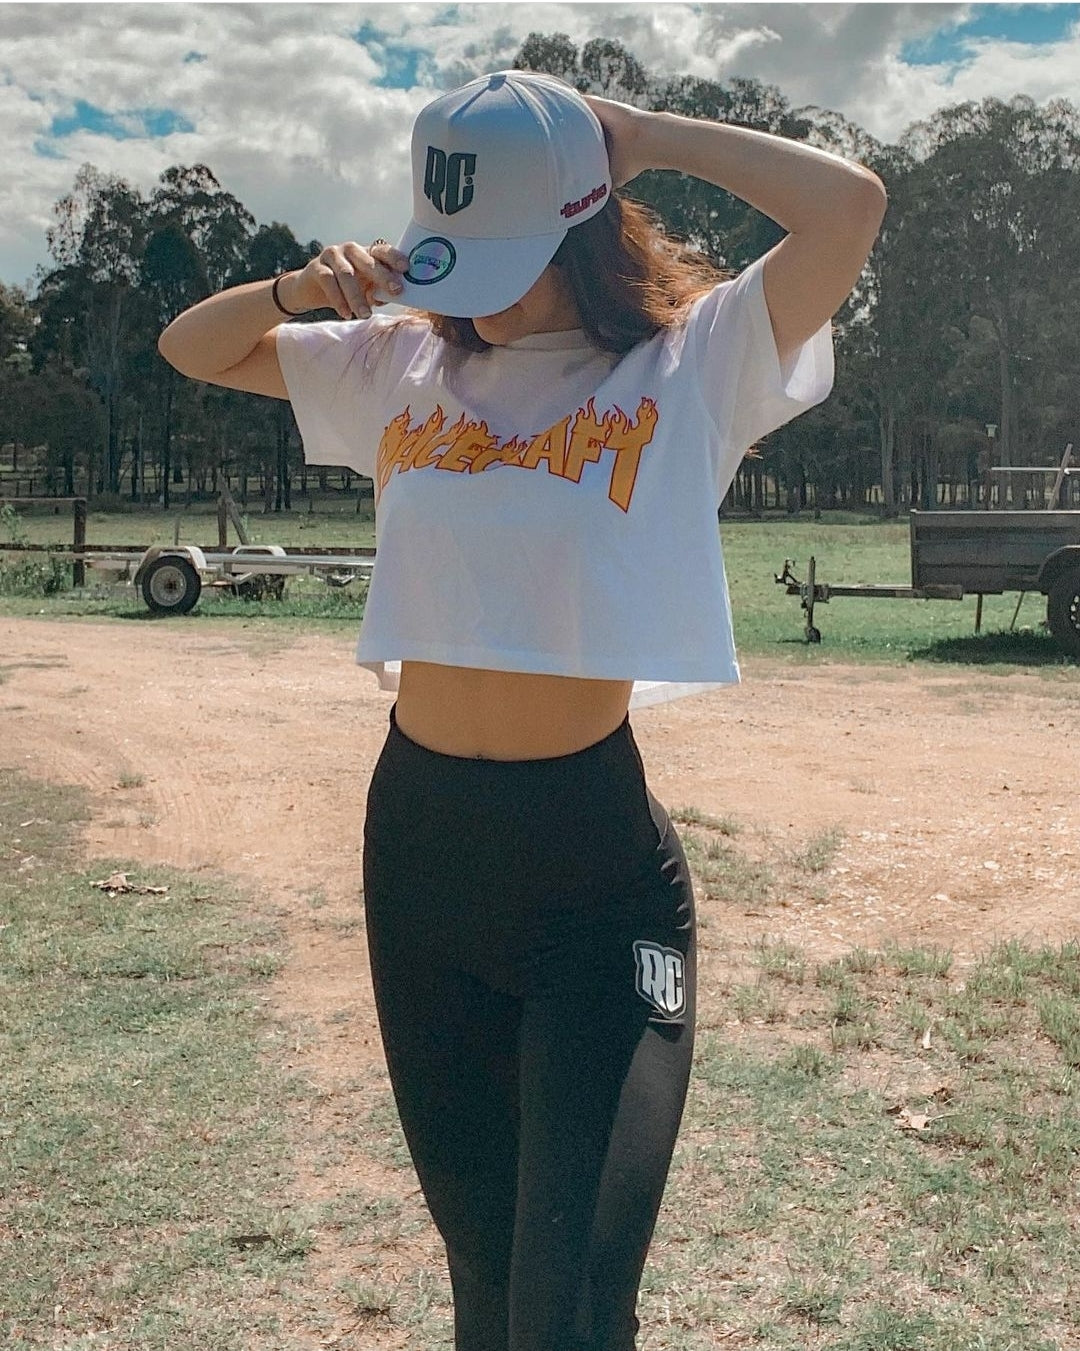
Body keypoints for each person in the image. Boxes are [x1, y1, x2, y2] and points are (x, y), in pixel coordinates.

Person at [159, 68, 885, 1351]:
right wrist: (299, 288)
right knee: (488, 1287)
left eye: (502, 254)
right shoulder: (403, 362)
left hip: (591, 874)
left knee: (570, 1308)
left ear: (579, 222)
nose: (475, 290)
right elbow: (191, 348)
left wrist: (641, 136)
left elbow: (848, 208)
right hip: (422, 854)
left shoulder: (688, 363)